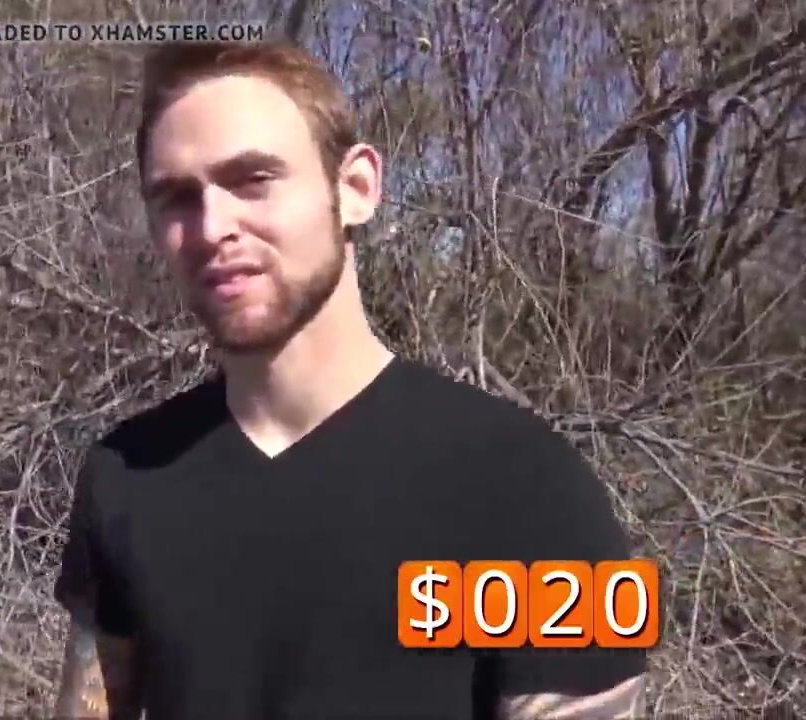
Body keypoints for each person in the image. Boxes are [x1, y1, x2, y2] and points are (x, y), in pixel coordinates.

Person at [51, 40, 649, 720]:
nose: (213, 227)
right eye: (177, 198)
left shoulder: (529, 483)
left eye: (253, 179)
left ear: (356, 188)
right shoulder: (125, 475)